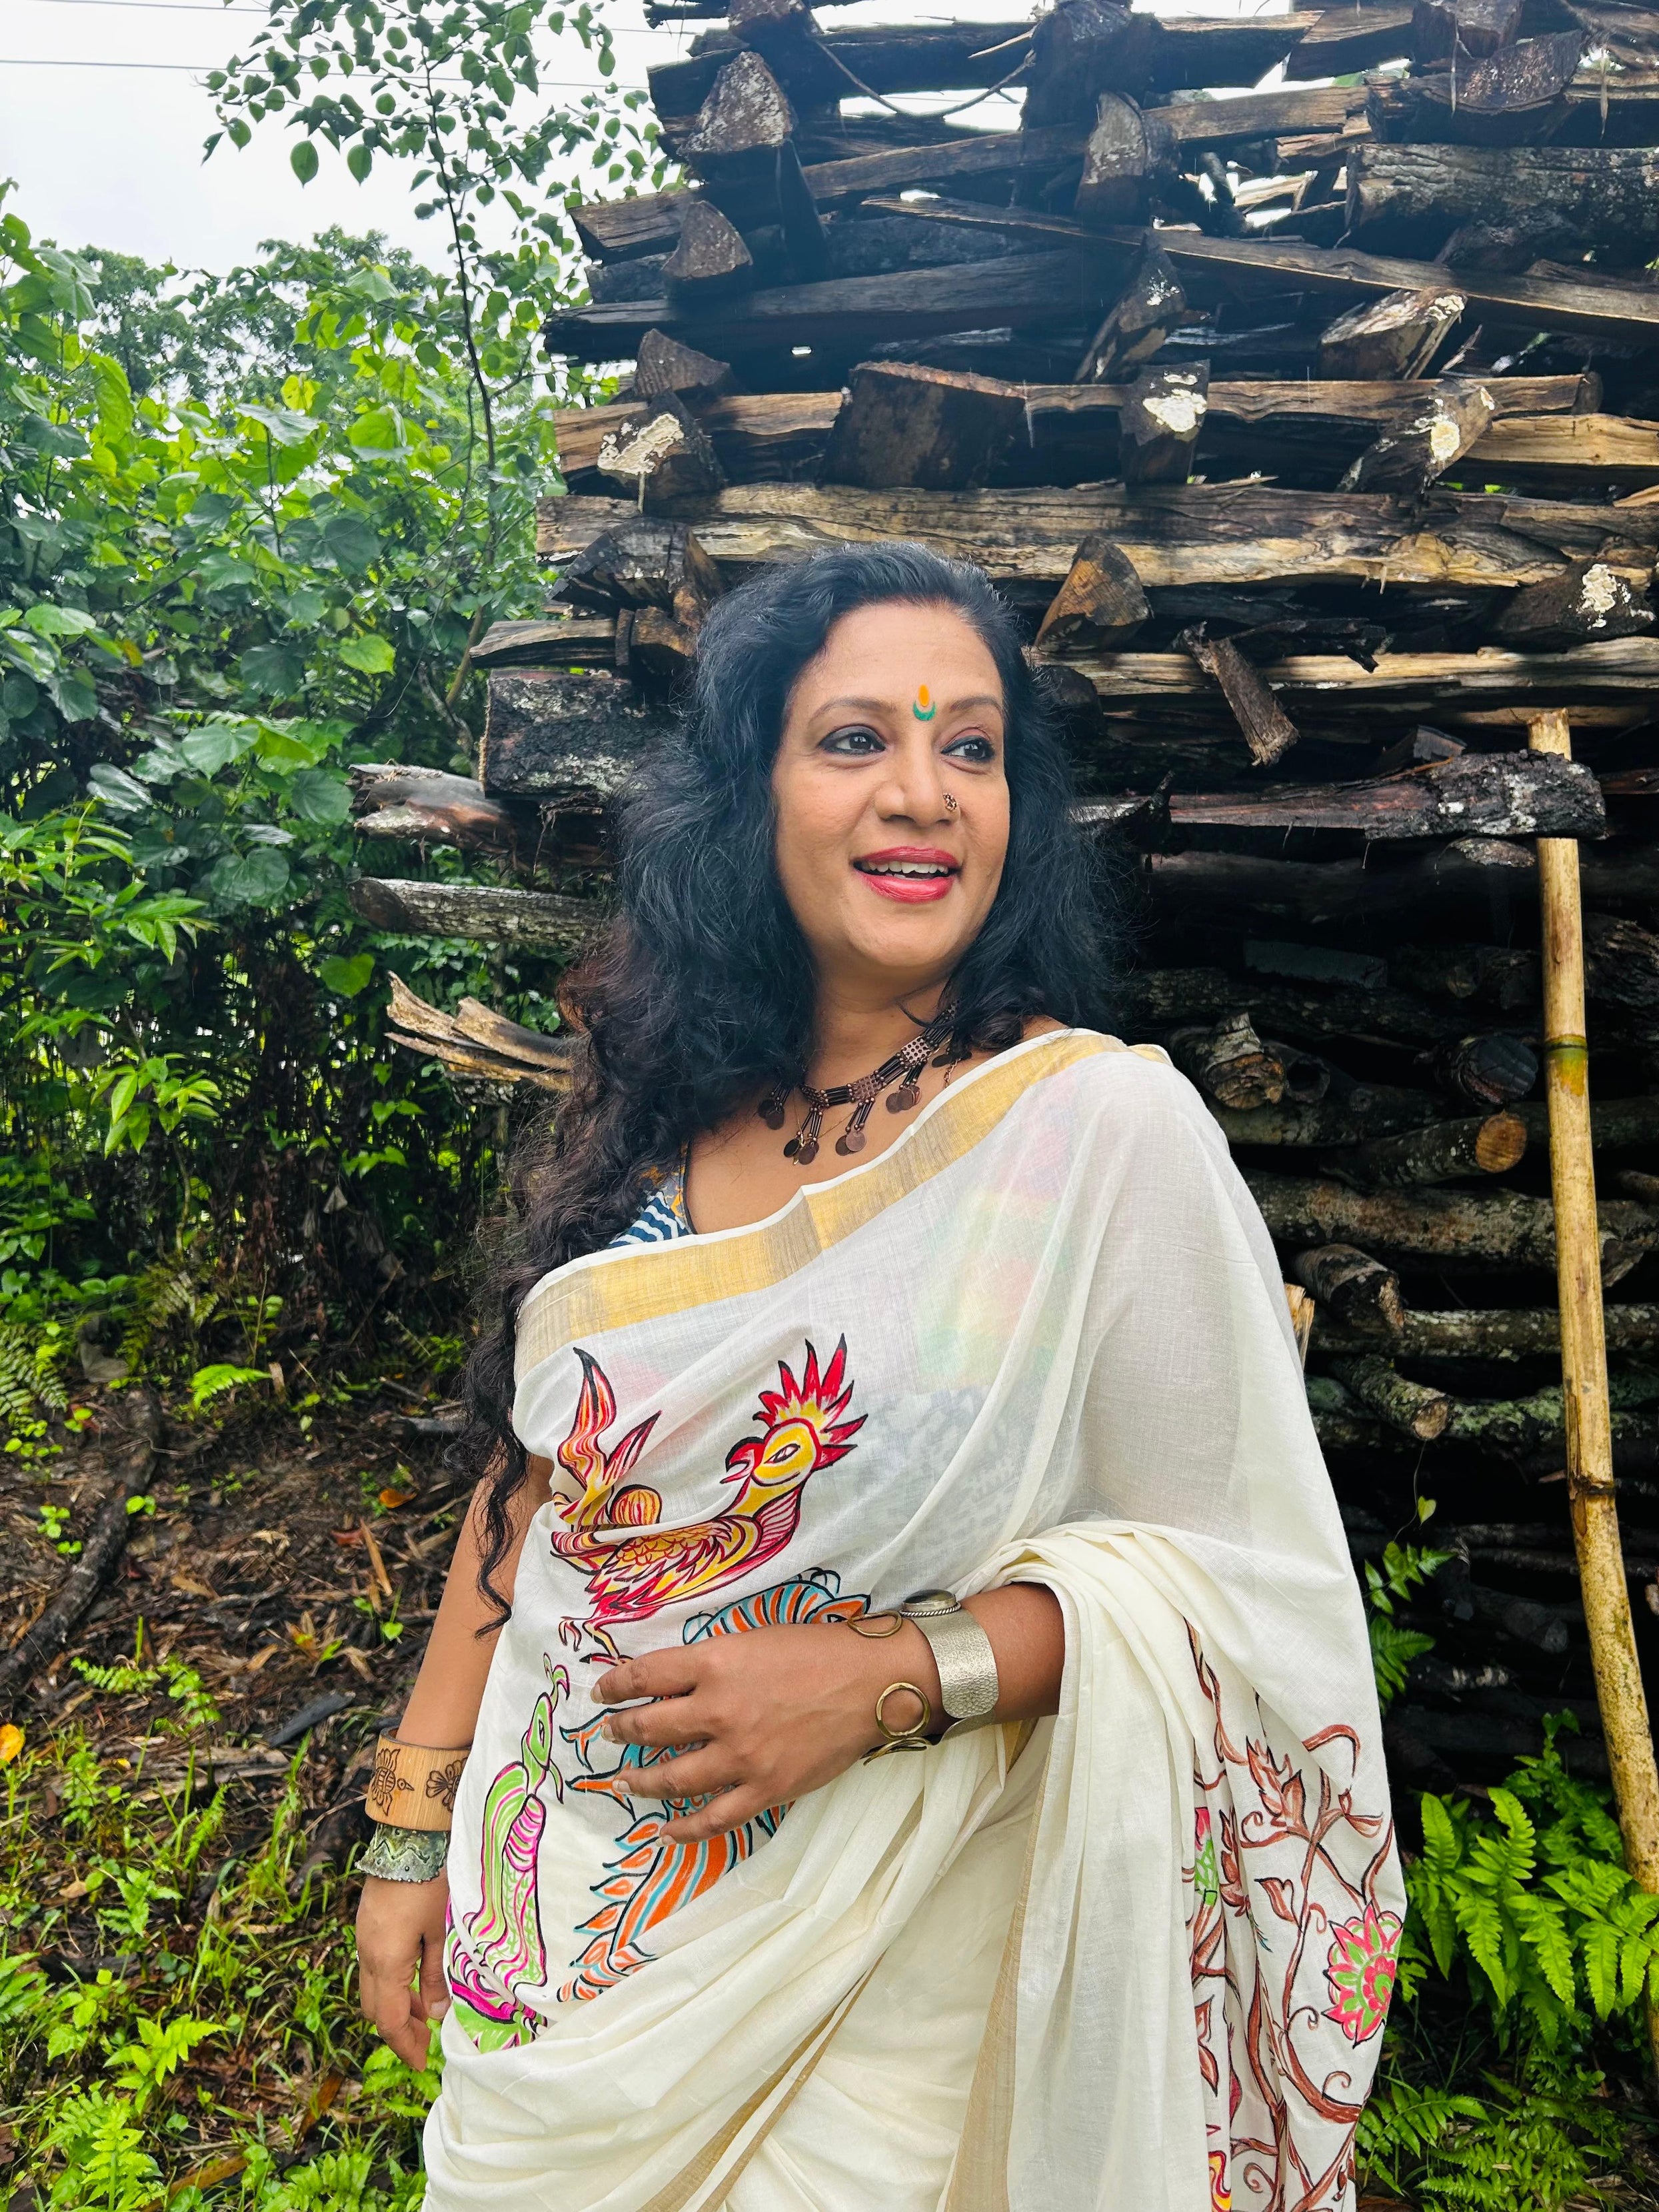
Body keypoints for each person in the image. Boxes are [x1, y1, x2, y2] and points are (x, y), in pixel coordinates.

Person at [356, 543, 1401, 2212]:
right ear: (750, 794)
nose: (923, 793)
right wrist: (415, 1825)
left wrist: (887, 1678)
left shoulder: (1088, 1137)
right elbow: (540, 1476)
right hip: (548, 1927)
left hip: (879, 1979)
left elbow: (1234, 1592)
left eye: (969, 745)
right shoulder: (669, 1105)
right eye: (856, 739)